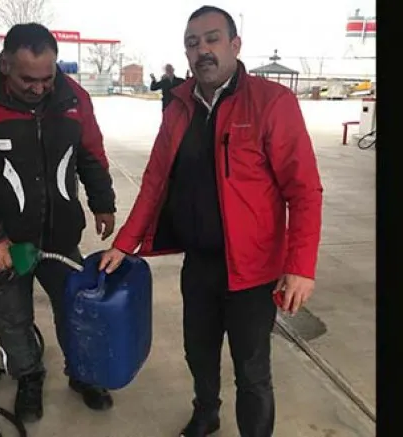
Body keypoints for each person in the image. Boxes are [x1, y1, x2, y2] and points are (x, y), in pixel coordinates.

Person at [98, 5, 323, 437]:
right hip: (200, 263)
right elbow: (154, 182)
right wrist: (124, 243)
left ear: (235, 45)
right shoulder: (179, 106)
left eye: (212, 39)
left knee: (251, 368)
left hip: (253, 271)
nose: (202, 50)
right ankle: (206, 414)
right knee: (198, 352)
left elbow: (304, 190)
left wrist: (300, 267)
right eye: (192, 43)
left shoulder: (271, 103)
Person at [0, 22, 118, 423]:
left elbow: (91, 153)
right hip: (5, 243)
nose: (39, 89)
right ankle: (29, 377)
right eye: (28, 80)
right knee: (12, 316)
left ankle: (83, 373)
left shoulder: (73, 97)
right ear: (5, 64)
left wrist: (103, 202)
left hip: (59, 237)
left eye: (46, 78)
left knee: (76, 309)